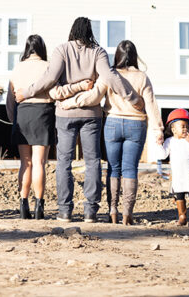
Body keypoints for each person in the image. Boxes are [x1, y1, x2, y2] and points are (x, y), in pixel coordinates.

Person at [16, 17, 143, 223]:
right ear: (90, 31)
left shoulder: (62, 50)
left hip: (65, 115)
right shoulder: (98, 51)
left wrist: (27, 92)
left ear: (72, 30)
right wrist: (132, 97)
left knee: (64, 162)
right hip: (90, 115)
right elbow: (110, 77)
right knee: (92, 162)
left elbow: (49, 78)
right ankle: (90, 211)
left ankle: (64, 211)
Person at [59, 40, 163, 225]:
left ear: (117, 56)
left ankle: (112, 211)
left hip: (113, 123)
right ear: (134, 56)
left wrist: (71, 102)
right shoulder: (142, 77)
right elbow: (151, 104)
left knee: (113, 168)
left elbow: (94, 96)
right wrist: (158, 129)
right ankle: (127, 214)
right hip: (136, 124)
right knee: (130, 169)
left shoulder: (109, 75)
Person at [6, 34, 93, 220]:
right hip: (42, 113)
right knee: (39, 163)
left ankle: (23, 205)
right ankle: (39, 205)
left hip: (23, 114)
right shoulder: (47, 66)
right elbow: (56, 93)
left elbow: (10, 100)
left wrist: (15, 119)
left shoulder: (17, 68)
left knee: (25, 163)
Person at [154, 109, 189, 227]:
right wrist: (159, 144)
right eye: (182, 126)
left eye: (187, 126)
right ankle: (182, 216)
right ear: (173, 129)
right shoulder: (169, 141)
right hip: (178, 175)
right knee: (179, 195)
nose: (185, 129)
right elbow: (162, 155)